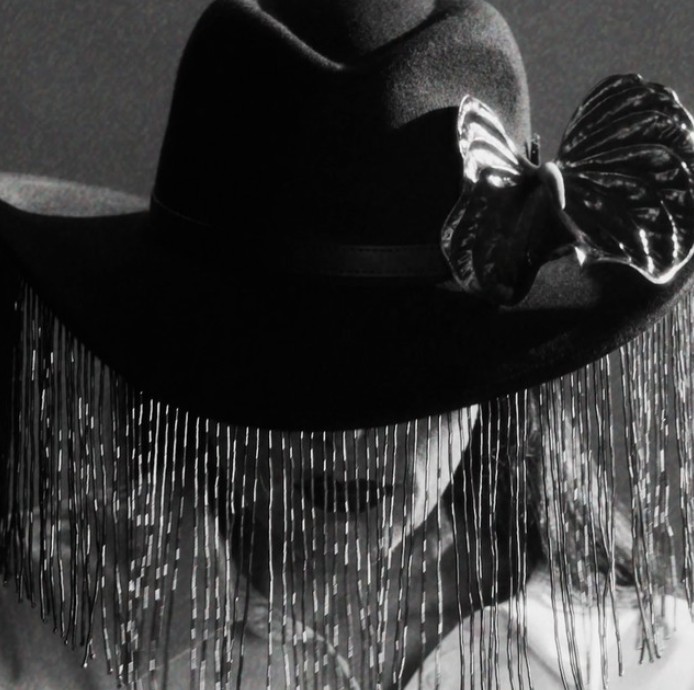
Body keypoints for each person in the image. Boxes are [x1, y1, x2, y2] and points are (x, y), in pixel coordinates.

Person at [2, 1, 694, 689]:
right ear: (184, 355)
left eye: (414, 370)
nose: (355, 437)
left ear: (497, 379)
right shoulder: (44, 627)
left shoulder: (635, 657)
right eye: (286, 363)